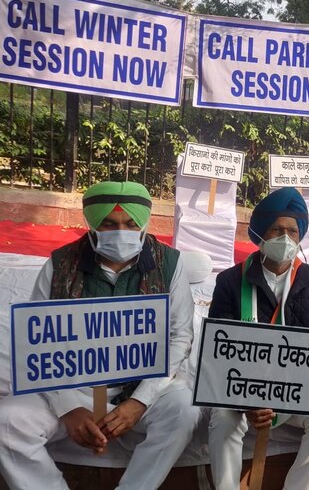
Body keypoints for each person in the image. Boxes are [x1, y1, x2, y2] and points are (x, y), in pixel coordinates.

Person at [0, 181, 198, 490]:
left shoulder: (168, 264)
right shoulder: (60, 263)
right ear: (92, 224)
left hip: (137, 386)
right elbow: (38, 340)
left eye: (132, 224)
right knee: (8, 421)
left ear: (144, 223)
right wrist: (68, 407)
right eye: (110, 224)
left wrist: (139, 402)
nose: (122, 231)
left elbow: (179, 338)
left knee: (185, 409)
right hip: (72, 387)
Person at [207, 187, 309, 490]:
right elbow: (218, 352)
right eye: (277, 229)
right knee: (222, 419)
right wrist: (246, 399)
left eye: (293, 231)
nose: (286, 238)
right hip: (241, 389)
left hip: (297, 390)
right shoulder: (231, 280)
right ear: (260, 235)